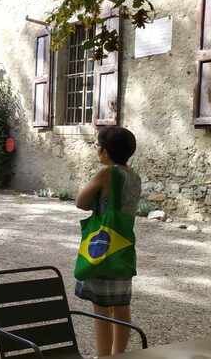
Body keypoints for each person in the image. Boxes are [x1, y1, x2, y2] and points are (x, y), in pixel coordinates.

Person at [74, 126, 141, 357]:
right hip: (123, 246)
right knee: (121, 305)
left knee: (100, 309)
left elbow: (81, 202)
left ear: (104, 150)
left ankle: (103, 356)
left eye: (97, 145)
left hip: (103, 247)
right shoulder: (133, 176)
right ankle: (118, 354)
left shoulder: (107, 174)